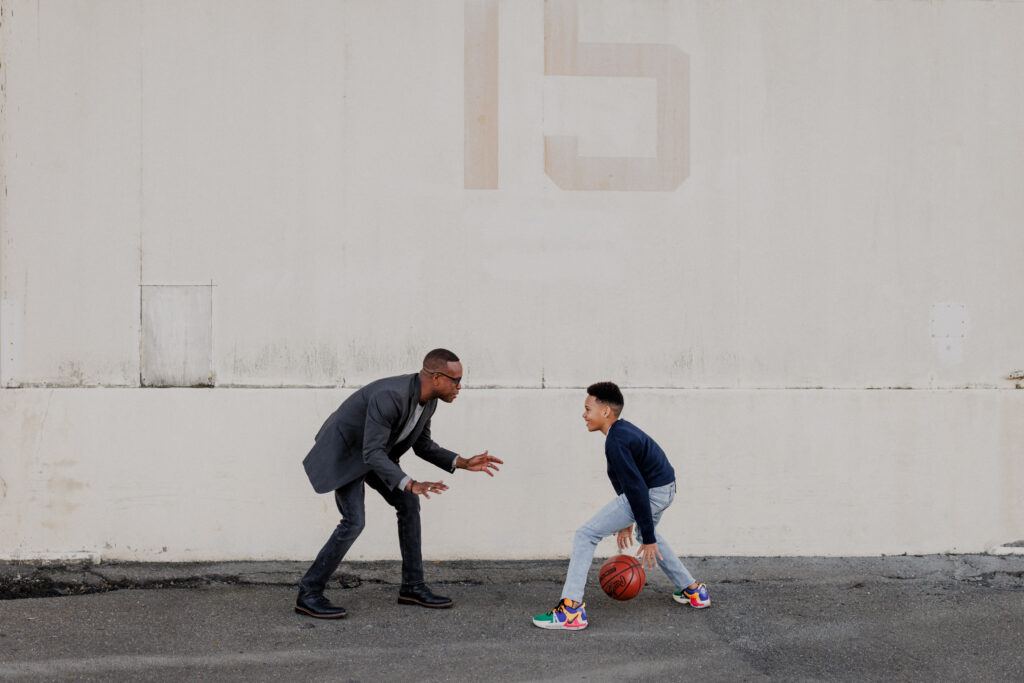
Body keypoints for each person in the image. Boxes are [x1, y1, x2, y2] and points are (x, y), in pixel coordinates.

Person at [296, 348, 503, 619]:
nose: (460, 386)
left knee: (408, 502)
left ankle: (412, 587)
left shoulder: (429, 401)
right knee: (354, 521)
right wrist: (409, 482)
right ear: (437, 378)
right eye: (456, 380)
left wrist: (463, 462)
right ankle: (309, 593)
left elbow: (423, 445)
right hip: (347, 454)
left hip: (375, 455)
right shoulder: (391, 396)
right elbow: (371, 452)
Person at [532, 381, 709, 630]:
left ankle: (570, 610)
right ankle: (694, 590)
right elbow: (627, 481)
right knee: (645, 535)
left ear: (605, 411)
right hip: (665, 490)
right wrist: (630, 523)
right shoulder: (621, 433)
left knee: (586, 535)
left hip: (650, 493)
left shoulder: (617, 440)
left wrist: (647, 537)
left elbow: (636, 489)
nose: (583, 415)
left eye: (588, 409)